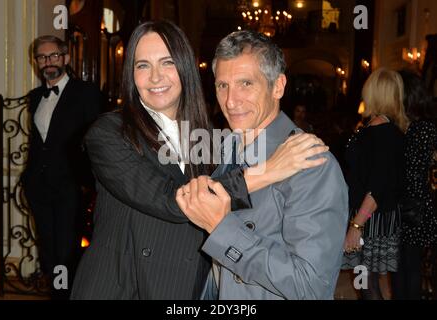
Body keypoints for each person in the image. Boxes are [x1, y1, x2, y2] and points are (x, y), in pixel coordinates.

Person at [70, 21, 329, 300]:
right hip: (122, 289)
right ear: (131, 75)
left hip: (185, 289)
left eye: (167, 62)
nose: (155, 77)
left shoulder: (211, 138)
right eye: (142, 65)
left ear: (185, 68)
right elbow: (171, 201)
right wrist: (268, 171)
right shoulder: (110, 132)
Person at [176, 30, 348, 300]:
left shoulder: (313, 164)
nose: (231, 101)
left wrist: (224, 230)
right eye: (223, 85)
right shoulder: (227, 147)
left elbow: (310, 288)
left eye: (246, 83)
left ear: (278, 86)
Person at [21, 35, 103, 299]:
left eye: (53, 55)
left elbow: (97, 141)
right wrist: (28, 179)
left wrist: (89, 183)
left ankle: (66, 296)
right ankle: (57, 295)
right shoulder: (35, 97)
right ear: (36, 62)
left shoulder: (86, 93)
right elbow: (38, 142)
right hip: (40, 188)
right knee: (48, 250)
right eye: (42, 57)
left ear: (66, 58)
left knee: (67, 252)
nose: (48, 62)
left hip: (71, 188)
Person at [341, 68, 409, 300]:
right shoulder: (388, 130)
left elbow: (379, 185)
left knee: (367, 286)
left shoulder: (381, 132)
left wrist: (357, 225)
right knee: (366, 284)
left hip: (370, 220)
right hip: (374, 217)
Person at [391, 70, 437, 300]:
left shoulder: (423, 128)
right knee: (401, 266)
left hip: (414, 206)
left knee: (409, 266)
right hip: (408, 203)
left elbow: (413, 171)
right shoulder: (410, 126)